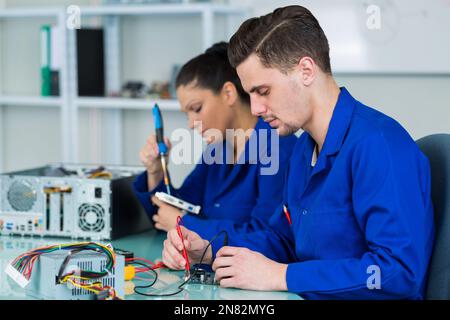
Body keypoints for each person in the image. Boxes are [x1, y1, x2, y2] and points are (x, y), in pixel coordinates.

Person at [161, 6, 435, 299]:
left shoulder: (378, 145)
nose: (255, 109)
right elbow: (282, 240)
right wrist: (208, 249)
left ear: (306, 70)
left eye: (263, 91)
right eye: (250, 94)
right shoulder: (304, 151)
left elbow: (397, 272)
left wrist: (282, 276)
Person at [133, 42, 297, 241]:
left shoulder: (278, 149)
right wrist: (156, 171)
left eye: (197, 108)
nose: (191, 124)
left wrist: (184, 223)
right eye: (187, 114)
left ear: (228, 93)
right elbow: (173, 211)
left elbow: (266, 236)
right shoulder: (217, 150)